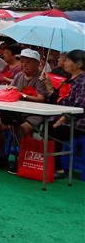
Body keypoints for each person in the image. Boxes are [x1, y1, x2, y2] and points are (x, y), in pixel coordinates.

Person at [0, 49, 50, 161]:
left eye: (28, 62)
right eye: (22, 62)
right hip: (18, 111)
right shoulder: (19, 76)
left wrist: (22, 94)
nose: (24, 65)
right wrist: (10, 90)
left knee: (23, 128)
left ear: (37, 64)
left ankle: (23, 160)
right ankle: (1, 155)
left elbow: (41, 98)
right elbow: (12, 93)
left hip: (35, 112)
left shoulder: (42, 77)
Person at [42, 50, 85, 178]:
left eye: (67, 60)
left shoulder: (83, 82)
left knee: (53, 131)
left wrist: (62, 120)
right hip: (61, 118)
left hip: (77, 122)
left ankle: (58, 168)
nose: (64, 63)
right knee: (44, 127)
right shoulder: (68, 79)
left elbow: (81, 106)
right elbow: (57, 100)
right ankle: (45, 164)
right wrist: (48, 84)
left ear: (79, 64)